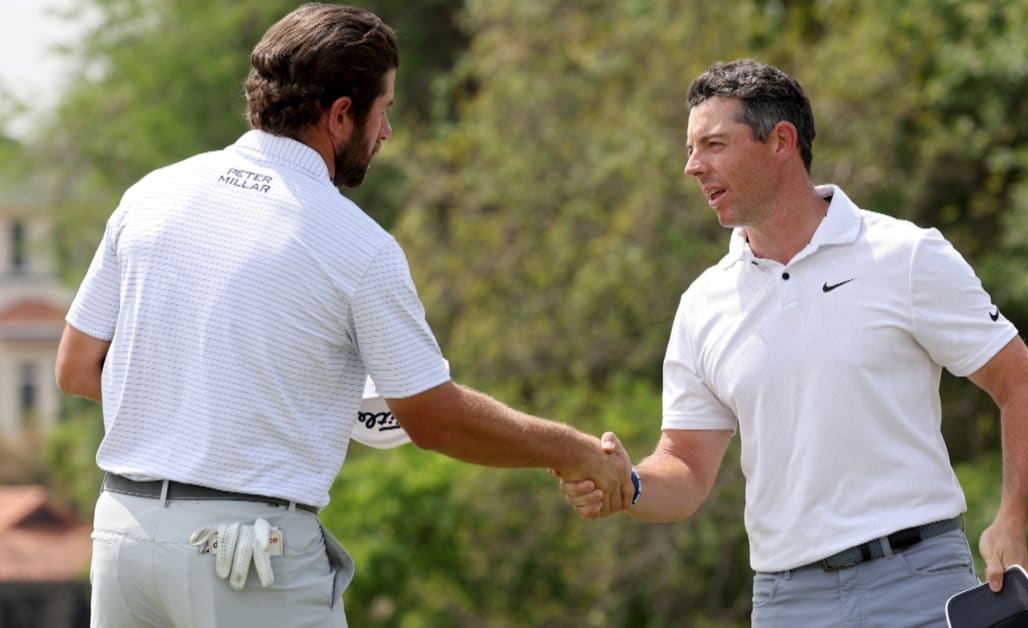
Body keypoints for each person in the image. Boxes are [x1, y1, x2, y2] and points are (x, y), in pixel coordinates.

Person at [54, 5, 630, 627]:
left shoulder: (150, 195)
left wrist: (222, 404)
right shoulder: (358, 245)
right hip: (245, 557)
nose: (386, 132)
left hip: (124, 538)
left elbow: (77, 368)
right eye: (383, 111)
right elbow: (436, 420)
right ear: (339, 116)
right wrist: (570, 448)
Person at [559, 58, 1028, 627]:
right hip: (785, 604)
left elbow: (1026, 387)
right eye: (691, 149)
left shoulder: (907, 255)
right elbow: (688, 467)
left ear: (781, 141)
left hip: (922, 583)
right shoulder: (702, 305)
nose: (692, 167)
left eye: (713, 145)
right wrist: (632, 484)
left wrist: (1012, 516)